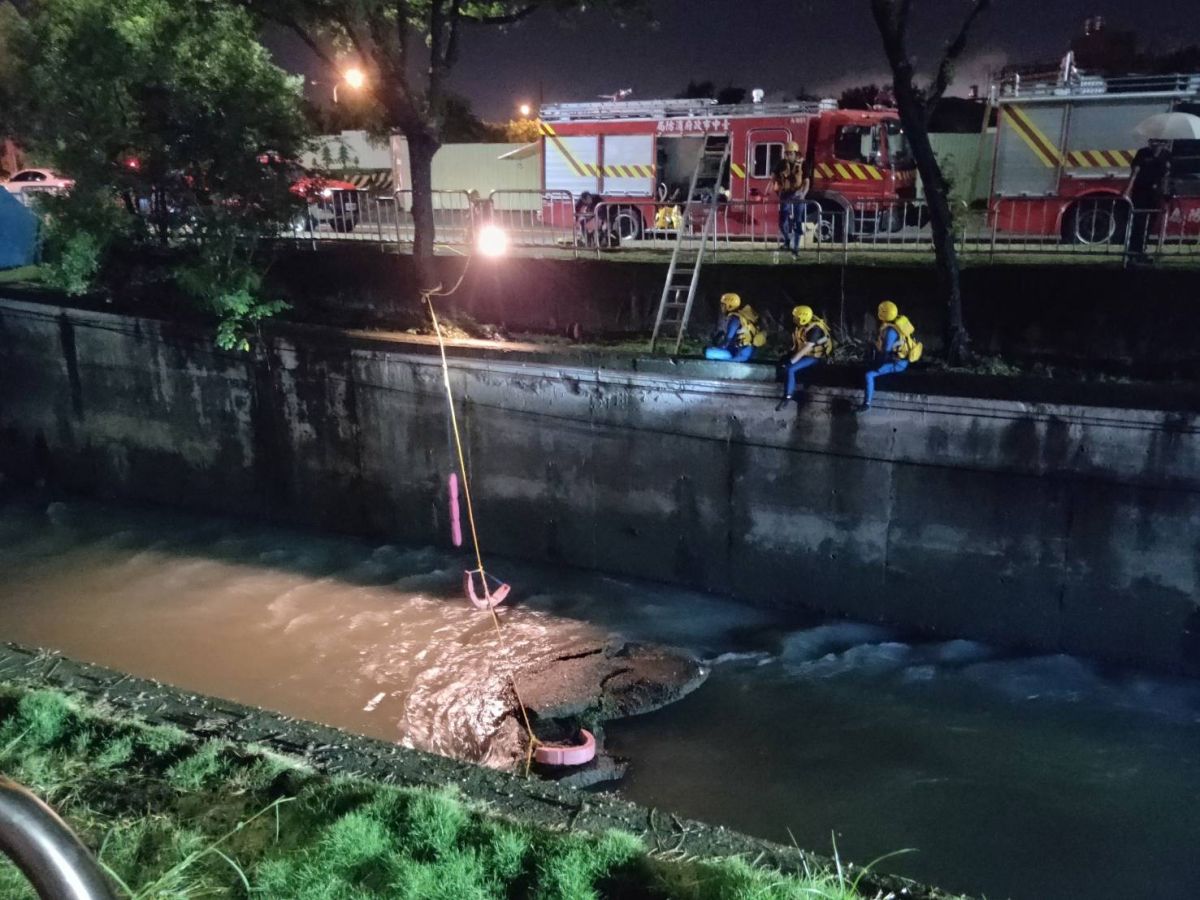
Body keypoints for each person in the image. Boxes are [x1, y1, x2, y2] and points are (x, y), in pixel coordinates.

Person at [857, 301, 922, 412]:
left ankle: (867, 403)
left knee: (869, 375)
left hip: (898, 363)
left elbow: (885, 353)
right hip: (900, 359)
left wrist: (877, 365)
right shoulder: (898, 323)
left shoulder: (891, 331)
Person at [775, 305, 833, 410]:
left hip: (815, 357)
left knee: (790, 369)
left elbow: (805, 350)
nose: (794, 319)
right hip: (807, 354)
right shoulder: (803, 326)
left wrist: (791, 362)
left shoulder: (815, 330)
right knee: (782, 362)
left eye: (796, 317)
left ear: (803, 318)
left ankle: (787, 396)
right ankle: (782, 381)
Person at [1125, 140, 1171, 260]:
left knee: (1150, 223)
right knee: (1139, 222)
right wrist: (1127, 190)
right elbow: (1135, 172)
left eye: (1159, 143)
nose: (1156, 146)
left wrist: (1166, 192)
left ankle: (1142, 250)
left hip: (1155, 194)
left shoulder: (1166, 155)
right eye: (1153, 143)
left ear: (1164, 144)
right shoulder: (1143, 153)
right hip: (1141, 191)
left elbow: (1166, 176)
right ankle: (1133, 251)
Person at [768, 141, 810, 257]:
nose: (788, 155)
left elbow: (806, 181)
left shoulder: (803, 164)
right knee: (782, 221)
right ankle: (786, 240)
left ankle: (795, 249)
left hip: (798, 195)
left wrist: (803, 194)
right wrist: (776, 189)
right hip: (785, 194)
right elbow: (773, 177)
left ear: (796, 153)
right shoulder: (781, 164)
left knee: (798, 222)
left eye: (790, 153)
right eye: (786, 153)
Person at [705, 292, 765, 362]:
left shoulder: (735, 319)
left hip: (738, 355)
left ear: (730, 306)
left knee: (707, 352)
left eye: (723, 305)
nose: (722, 307)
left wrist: (716, 347)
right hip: (750, 354)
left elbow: (728, 340)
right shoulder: (746, 318)